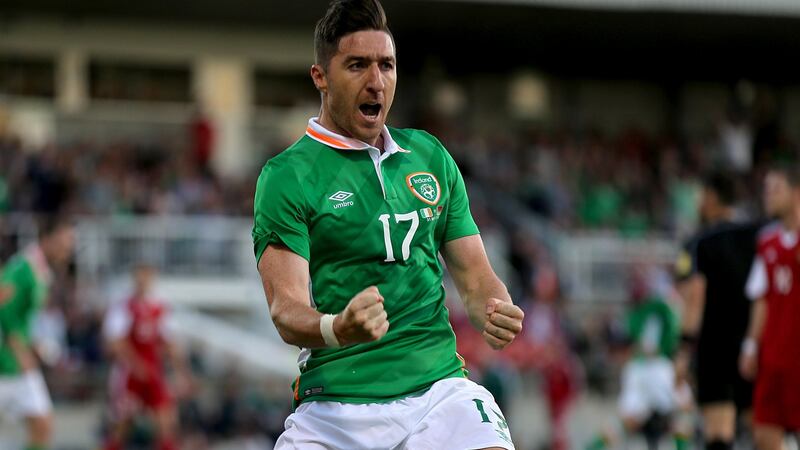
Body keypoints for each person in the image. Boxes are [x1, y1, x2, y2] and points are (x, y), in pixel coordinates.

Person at [251, 1, 524, 448]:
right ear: (320, 77)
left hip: (439, 392)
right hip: (338, 405)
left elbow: (476, 278)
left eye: (386, 65)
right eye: (357, 65)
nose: (375, 81)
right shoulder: (287, 176)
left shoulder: (430, 156)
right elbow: (286, 309)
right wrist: (337, 327)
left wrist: (494, 308)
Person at [673, 171, 760, 450]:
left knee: (719, 433)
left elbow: (695, 297)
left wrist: (684, 351)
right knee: (763, 430)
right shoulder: (759, 236)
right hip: (754, 344)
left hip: (716, 347)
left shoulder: (701, 242)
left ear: (711, 197)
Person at [586, 267, 689, 450]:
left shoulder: (633, 315)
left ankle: (591, 448)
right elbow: (676, 335)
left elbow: (624, 345)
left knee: (627, 421)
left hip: (637, 368)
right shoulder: (665, 307)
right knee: (679, 414)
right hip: (658, 368)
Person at [0, 217, 75, 450]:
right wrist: (18, 347)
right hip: (7, 360)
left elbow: (23, 318)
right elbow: (2, 301)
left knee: (42, 426)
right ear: (47, 238)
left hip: (19, 361)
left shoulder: (42, 271)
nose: (68, 247)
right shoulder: (23, 266)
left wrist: (34, 345)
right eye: (64, 240)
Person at [740, 165, 800, 450]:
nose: (768, 196)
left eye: (776, 189)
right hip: (773, 359)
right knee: (764, 437)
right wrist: (750, 346)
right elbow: (760, 298)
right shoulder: (767, 243)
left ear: (796, 193)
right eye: (766, 190)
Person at [102, 264, 193, 450]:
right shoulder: (124, 307)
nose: (143, 282)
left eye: (147, 277)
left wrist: (181, 372)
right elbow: (114, 343)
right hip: (129, 376)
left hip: (153, 373)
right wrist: (136, 365)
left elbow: (170, 342)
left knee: (166, 423)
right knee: (122, 426)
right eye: (139, 277)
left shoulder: (159, 307)